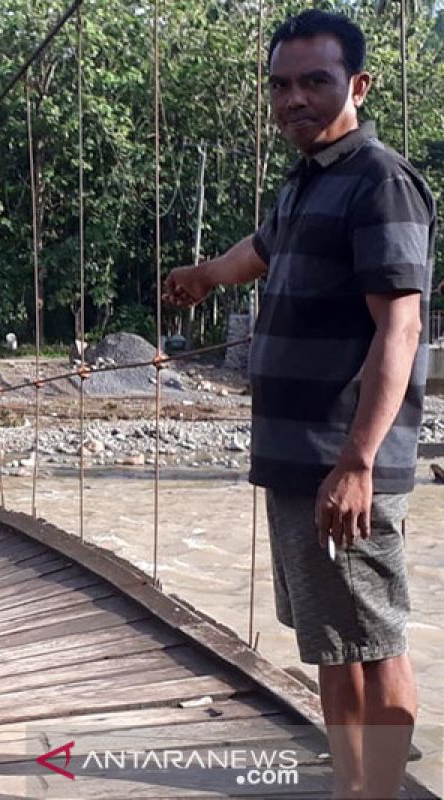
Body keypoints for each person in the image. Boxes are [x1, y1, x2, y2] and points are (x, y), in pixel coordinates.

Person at [166, 11, 435, 798]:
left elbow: (402, 326)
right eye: (281, 85)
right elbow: (261, 250)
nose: (295, 99)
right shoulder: (309, 179)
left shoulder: (380, 181)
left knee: (376, 643)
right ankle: (352, 783)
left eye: (315, 81)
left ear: (357, 84)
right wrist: (206, 275)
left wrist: (356, 463)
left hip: (341, 466)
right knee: (331, 642)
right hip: (298, 463)